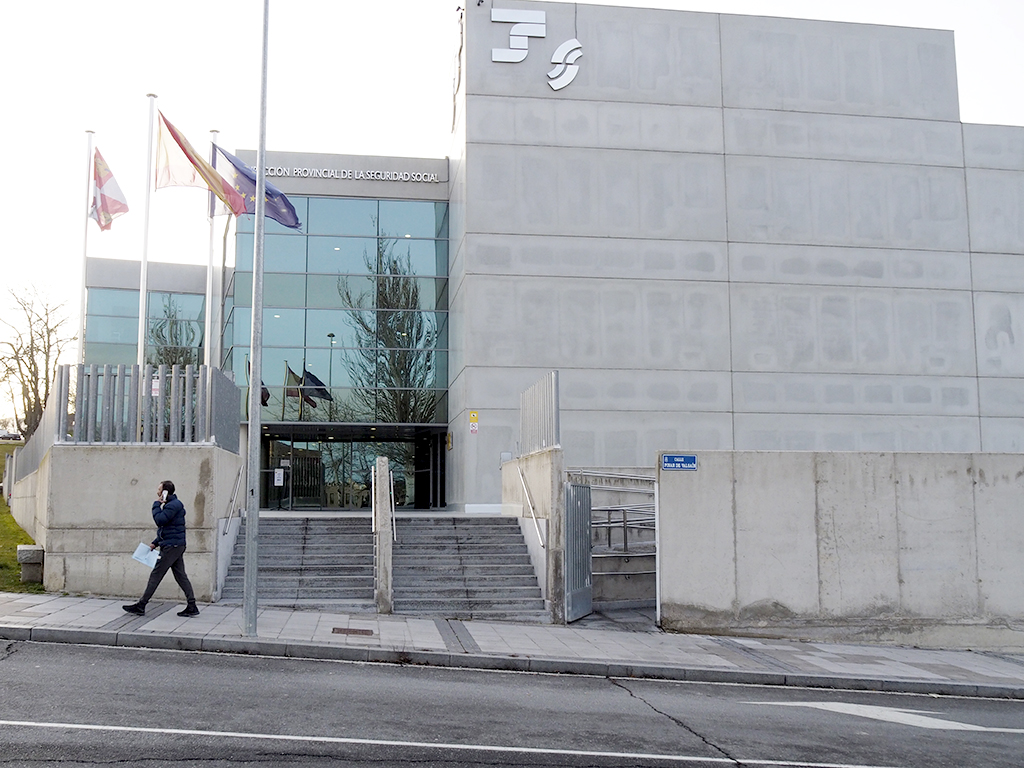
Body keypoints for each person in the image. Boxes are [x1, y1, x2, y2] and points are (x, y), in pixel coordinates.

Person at [123, 480, 199, 618]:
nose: (157, 492)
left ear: (165, 492)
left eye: (159, 489)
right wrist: (155, 543)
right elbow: (168, 529)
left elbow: (160, 520)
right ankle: (192, 605)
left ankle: (141, 605)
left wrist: (156, 505)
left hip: (171, 547)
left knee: (156, 575)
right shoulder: (173, 505)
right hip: (175, 545)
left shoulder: (172, 506)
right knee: (181, 576)